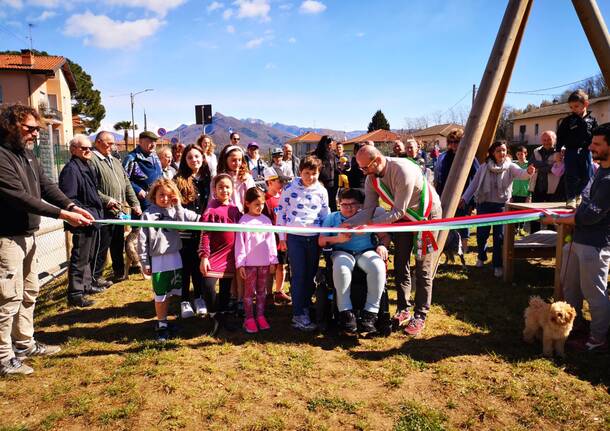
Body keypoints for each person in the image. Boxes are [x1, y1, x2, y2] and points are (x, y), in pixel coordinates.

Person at [0, 104, 93, 376]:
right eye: (30, 129)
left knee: (29, 292)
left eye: (37, 130)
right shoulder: (2, 157)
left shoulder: (27, 156)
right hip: (6, 239)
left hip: (27, 236)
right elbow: (20, 197)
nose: (35, 135)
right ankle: (4, 357)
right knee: (7, 297)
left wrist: (72, 206)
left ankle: (24, 343)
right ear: (11, 126)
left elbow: (45, 186)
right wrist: (62, 213)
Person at [353, 145, 442, 337]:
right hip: (401, 217)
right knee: (400, 263)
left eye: (364, 167)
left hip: (426, 216)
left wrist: (370, 226)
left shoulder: (403, 170)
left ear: (376, 161)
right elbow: (367, 210)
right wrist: (348, 224)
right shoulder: (371, 178)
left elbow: (398, 212)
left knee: (422, 266)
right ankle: (403, 308)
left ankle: (420, 314)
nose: (363, 172)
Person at [542, 123, 610, 353]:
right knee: (569, 286)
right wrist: (572, 207)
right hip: (578, 240)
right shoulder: (600, 170)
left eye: (597, 144)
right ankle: (576, 324)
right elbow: (585, 199)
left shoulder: (609, 180)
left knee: (594, 293)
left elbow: (590, 216)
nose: (591, 147)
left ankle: (599, 337)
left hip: (596, 245)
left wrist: (557, 220)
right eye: (592, 142)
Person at [319, 188, 390, 335]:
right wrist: (337, 239)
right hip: (342, 251)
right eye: (344, 204)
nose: (348, 208)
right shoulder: (332, 218)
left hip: (365, 251)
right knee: (341, 267)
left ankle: (370, 314)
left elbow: (384, 236)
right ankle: (346, 313)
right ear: (339, 204)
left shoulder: (367, 218)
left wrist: (382, 245)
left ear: (360, 206)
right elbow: (321, 241)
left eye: (353, 204)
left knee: (378, 266)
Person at [137, 179, 200, 341]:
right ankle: (161, 323)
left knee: (171, 292)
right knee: (160, 295)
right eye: (161, 195)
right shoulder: (147, 215)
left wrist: (178, 205)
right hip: (158, 260)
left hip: (175, 258)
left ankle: (166, 319)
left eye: (168, 195)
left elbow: (182, 226)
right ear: (154, 195)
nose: (164, 198)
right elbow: (142, 241)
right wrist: (144, 262)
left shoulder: (174, 211)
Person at [461, 141, 535, 278]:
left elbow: (522, 174)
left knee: (499, 237)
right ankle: (481, 256)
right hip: (484, 204)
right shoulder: (483, 167)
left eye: (504, 150)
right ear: (492, 152)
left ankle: (497, 264)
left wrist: (529, 172)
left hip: (501, 206)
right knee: (482, 234)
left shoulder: (510, 166)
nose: (502, 153)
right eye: (499, 150)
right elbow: (474, 184)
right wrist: (465, 198)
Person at [277, 155, 330, 331]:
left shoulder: (321, 191)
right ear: (300, 172)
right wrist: (282, 237)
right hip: (294, 237)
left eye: (314, 173)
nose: (310, 177)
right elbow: (281, 212)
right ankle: (298, 313)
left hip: (314, 238)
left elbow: (325, 215)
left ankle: (306, 306)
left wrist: (324, 236)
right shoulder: (289, 188)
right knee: (298, 275)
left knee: (310, 275)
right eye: (306, 173)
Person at [59, 135, 105, 307]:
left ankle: (86, 285)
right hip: (82, 220)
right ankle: (75, 293)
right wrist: (82, 213)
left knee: (89, 255)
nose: (88, 151)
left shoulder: (86, 166)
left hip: (93, 218)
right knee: (80, 256)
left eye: (90, 148)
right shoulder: (71, 170)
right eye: (84, 148)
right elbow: (69, 198)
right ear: (73, 149)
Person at [90, 131, 141, 284]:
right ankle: (96, 277)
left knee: (118, 244)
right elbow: (91, 188)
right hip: (103, 212)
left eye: (113, 143)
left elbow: (127, 184)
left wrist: (135, 203)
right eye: (109, 143)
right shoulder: (92, 160)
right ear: (98, 142)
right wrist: (106, 200)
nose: (112, 147)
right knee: (102, 245)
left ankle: (119, 272)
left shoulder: (116, 161)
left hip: (119, 212)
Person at [199, 174, 242, 330]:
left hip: (230, 256)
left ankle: (222, 315)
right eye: (220, 187)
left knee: (225, 289)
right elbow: (205, 235)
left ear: (232, 189)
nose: (224, 190)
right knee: (208, 285)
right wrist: (204, 257)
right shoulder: (211, 209)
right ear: (214, 190)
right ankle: (213, 314)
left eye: (227, 187)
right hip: (214, 256)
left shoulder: (235, 210)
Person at [174, 143, 211, 318]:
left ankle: (199, 298)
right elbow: (176, 207)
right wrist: (196, 219)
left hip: (203, 231)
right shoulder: (178, 180)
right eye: (189, 157)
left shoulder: (209, 179)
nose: (194, 160)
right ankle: (184, 300)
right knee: (185, 267)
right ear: (185, 160)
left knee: (199, 266)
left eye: (197, 156)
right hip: (185, 231)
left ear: (203, 158)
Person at [235, 187, 278, 333]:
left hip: (264, 264)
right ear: (247, 203)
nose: (260, 207)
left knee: (262, 291)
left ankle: (260, 316)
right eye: (256, 204)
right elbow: (240, 244)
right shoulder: (243, 222)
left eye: (262, 204)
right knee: (248, 293)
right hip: (249, 266)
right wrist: (240, 263)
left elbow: (271, 242)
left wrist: (273, 260)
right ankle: (249, 318)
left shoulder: (267, 221)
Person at [434, 128, 479, 253]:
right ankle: (447, 247)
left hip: (463, 197)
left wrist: (471, 199)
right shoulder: (445, 157)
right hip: (445, 194)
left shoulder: (470, 157)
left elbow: (476, 178)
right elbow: (440, 177)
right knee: (446, 221)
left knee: (462, 222)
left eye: (456, 142)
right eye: (451, 142)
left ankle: (464, 248)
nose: (453, 145)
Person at [556, 89, 598, 208]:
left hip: (586, 151)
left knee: (587, 174)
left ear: (585, 104)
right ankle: (571, 198)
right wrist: (558, 151)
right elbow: (560, 136)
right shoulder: (568, 120)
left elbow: (597, 136)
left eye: (576, 106)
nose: (573, 109)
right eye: (571, 107)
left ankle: (579, 194)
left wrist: (596, 151)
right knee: (571, 174)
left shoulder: (592, 120)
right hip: (571, 151)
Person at [261, 168, 291, 304]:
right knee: (269, 267)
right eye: (279, 181)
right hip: (269, 239)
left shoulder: (285, 198)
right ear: (270, 182)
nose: (282, 184)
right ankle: (267, 294)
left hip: (283, 238)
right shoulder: (263, 199)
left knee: (281, 265)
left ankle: (279, 291)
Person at [529, 131, 563, 232]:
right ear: (541, 140)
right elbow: (531, 165)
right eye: (544, 140)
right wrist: (549, 166)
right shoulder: (536, 151)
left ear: (554, 140)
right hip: (537, 187)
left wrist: (541, 166)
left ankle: (551, 239)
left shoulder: (560, 152)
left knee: (551, 216)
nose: (546, 142)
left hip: (553, 189)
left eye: (549, 139)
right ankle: (534, 236)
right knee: (534, 215)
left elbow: (558, 168)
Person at [216, 144, 256, 212]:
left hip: (243, 215)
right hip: (225, 213)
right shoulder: (220, 178)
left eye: (239, 160)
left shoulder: (247, 178)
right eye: (233, 160)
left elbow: (253, 198)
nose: (237, 163)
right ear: (226, 160)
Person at [314, 135, 339, 211]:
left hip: (332, 183)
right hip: (321, 183)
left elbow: (335, 168)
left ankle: (333, 219)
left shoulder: (333, 154)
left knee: (332, 202)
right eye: (329, 145)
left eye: (331, 145)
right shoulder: (317, 154)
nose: (330, 147)